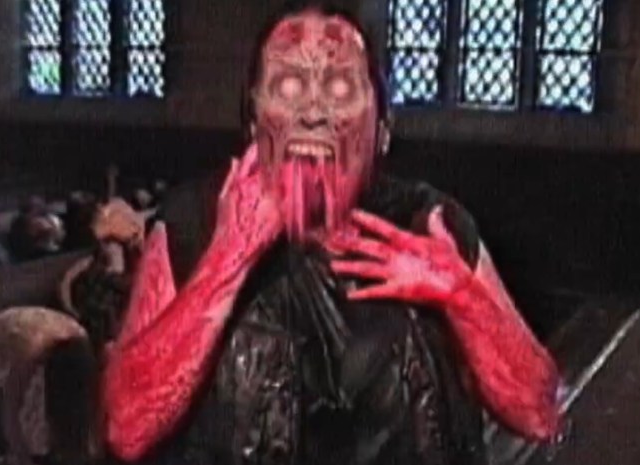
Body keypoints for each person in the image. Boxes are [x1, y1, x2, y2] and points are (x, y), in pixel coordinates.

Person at [101, 3, 561, 464]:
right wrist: (228, 256)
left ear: (382, 130)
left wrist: (462, 294)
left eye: (340, 87)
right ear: (253, 122)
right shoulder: (196, 222)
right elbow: (127, 428)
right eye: (288, 85)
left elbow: (539, 414)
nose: (313, 111)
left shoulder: (431, 227)